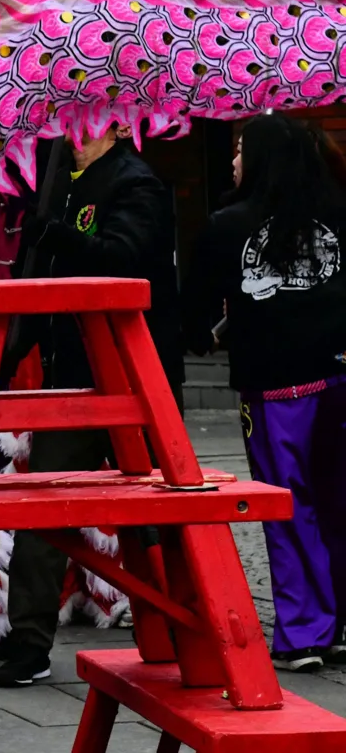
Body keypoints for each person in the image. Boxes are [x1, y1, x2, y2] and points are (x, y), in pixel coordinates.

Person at [0, 125, 183, 687]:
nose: (70, 129)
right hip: (72, 378)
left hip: (130, 380)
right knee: (45, 508)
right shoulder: (62, 181)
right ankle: (29, 641)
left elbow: (119, 260)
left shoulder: (137, 183)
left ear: (119, 123)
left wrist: (52, 232)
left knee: (155, 512)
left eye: (86, 115)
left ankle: (179, 624)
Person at [185, 114, 346, 671]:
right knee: (338, 503)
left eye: (238, 148)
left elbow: (195, 316)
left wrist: (211, 327)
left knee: (288, 504)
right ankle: (338, 620)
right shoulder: (340, 214)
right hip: (340, 377)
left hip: (279, 389)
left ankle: (305, 629)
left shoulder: (229, 227)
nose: (231, 160)